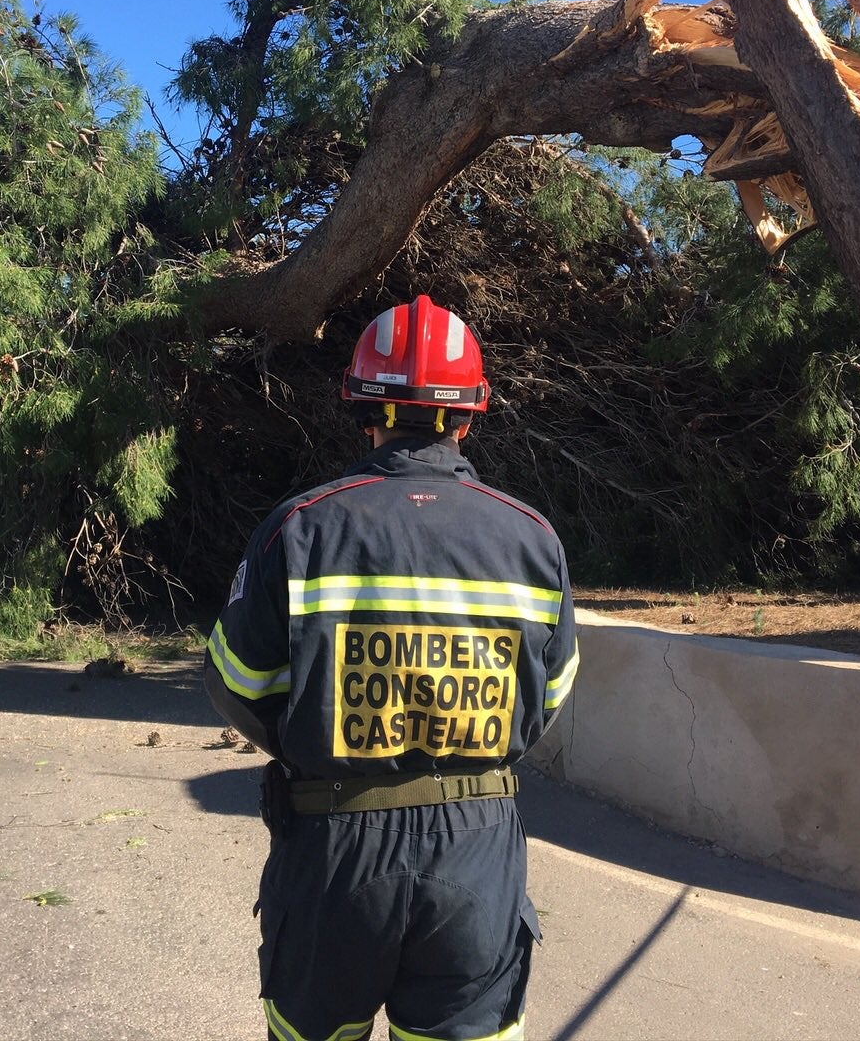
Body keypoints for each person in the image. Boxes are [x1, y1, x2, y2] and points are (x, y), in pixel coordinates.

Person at [205, 295, 580, 1041]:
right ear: (470, 414)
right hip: (477, 849)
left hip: (332, 847)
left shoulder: (301, 527)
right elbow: (550, 697)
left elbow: (239, 685)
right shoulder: (533, 539)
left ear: (361, 410)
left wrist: (318, 739)